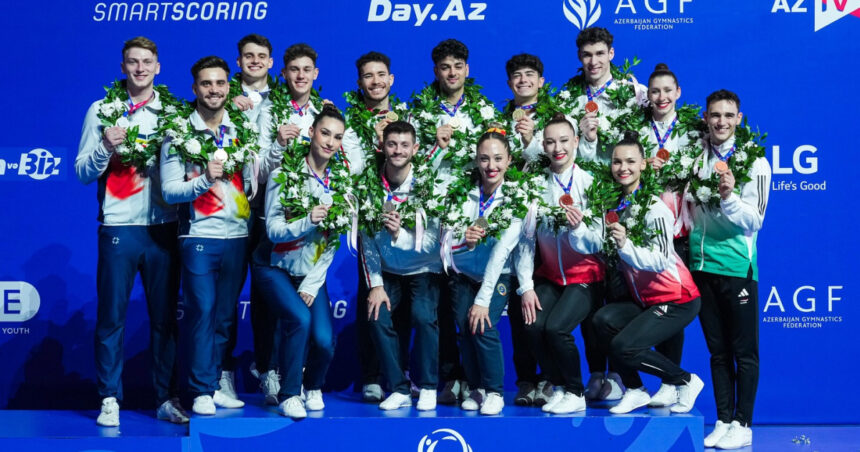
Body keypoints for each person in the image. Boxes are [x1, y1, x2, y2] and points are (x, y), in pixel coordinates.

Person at [76, 36, 186, 427]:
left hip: (163, 228)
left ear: (158, 67)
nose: (140, 68)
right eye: (132, 62)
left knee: (165, 321)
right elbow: (83, 172)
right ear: (123, 67)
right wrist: (105, 146)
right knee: (111, 318)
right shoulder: (103, 110)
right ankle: (109, 398)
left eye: (147, 62)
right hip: (119, 228)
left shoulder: (173, 112)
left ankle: (165, 398)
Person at [568, 132, 704, 415]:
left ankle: (686, 381)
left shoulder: (655, 209)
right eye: (617, 162)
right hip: (645, 299)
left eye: (630, 161)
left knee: (624, 346)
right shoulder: (614, 206)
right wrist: (578, 228)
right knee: (602, 320)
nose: (623, 168)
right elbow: (595, 243)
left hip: (677, 298)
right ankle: (635, 390)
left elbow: (659, 260)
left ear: (643, 164)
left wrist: (625, 245)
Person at [160, 55, 255, 415]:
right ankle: (199, 389)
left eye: (219, 83)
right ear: (195, 88)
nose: (213, 90)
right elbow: (169, 192)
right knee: (202, 309)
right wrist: (204, 179)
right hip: (198, 235)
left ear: (228, 86)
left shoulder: (241, 128)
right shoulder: (178, 133)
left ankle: (214, 384)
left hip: (238, 235)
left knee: (225, 315)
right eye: (206, 84)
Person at [252, 104, 356, 418]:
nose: (330, 142)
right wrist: (307, 220)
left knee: (324, 341)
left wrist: (312, 283)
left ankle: (311, 386)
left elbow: (331, 243)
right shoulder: (284, 174)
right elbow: (272, 230)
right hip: (273, 266)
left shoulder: (341, 185)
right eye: (325, 133)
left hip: (309, 273)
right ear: (311, 132)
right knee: (299, 319)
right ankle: (288, 395)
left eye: (337, 137)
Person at [411, 38, 498, 404]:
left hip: (469, 218)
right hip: (430, 222)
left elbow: (496, 164)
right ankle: (448, 377)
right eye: (445, 67)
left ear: (467, 69)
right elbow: (409, 168)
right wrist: (434, 147)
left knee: (466, 303)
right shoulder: (417, 112)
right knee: (440, 308)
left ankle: (475, 381)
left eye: (458, 66)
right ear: (435, 71)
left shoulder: (485, 111)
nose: (451, 73)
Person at [691, 90, 770, 450]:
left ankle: (744, 423)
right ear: (706, 117)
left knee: (744, 352)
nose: (721, 121)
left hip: (738, 267)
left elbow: (756, 220)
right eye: (714, 115)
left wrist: (729, 197)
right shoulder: (695, 155)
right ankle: (724, 419)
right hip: (702, 266)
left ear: (739, 118)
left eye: (728, 115)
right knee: (718, 351)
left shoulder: (755, 161)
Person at [342, 51, 412, 402]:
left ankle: (398, 373)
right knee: (371, 294)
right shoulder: (349, 120)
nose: (375, 82)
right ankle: (370, 375)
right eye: (368, 76)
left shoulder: (407, 117)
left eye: (381, 74)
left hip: (403, 217)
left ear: (391, 79)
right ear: (359, 83)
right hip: (368, 214)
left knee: (402, 301)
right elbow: (348, 166)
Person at [522, 114, 603, 414]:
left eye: (564, 141)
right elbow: (526, 240)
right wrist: (527, 286)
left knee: (556, 329)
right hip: (550, 275)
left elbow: (598, 240)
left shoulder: (590, 183)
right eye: (551, 142)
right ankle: (557, 386)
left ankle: (575, 391)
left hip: (586, 275)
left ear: (577, 142)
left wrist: (578, 229)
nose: (558, 148)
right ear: (543, 146)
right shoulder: (535, 186)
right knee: (532, 325)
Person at [448, 129, 532, 416]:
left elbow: (500, 254)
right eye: (484, 159)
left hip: (497, 277)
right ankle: (477, 388)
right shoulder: (464, 192)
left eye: (498, 158)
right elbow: (446, 241)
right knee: (464, 325)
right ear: (476, 160)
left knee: (482, 325)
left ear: (509, 160)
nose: (491, 166)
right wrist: (464, 240)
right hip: (463, 276)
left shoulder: (516, 198)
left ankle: (495, 391)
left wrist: (482, 300)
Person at [362, 121, 442, 411]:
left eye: (404, 145)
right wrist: (376, 284)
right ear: (382, 147)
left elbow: (436, 241)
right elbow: (366, 241)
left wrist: (400, 235)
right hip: (387, 271)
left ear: (415, 149)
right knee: (377, 316)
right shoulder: (370, 185)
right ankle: (398, 387)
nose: (397, 150)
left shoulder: (429, 185)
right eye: (392, 144)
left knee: (423, 317)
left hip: (424, 268)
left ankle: (430, 385)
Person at [637, 62, 702, 408]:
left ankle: (673, 382)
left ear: (678, 93)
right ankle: (669, 380)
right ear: (647, 96)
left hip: (681, 234)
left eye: (667, 91)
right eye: (655, 91)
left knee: (673, 311)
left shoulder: (694, 132)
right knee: (652, 309)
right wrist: (645, 167)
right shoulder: (637, 132)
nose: (661, 97)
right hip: (648, 235)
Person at [224, 32, 280, 406]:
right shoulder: (217, 95)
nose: (255, 61)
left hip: (268, 211)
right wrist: (228, 104)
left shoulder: (287, 100)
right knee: (226, 297)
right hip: (228, 209)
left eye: (261, 55)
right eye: (248, 55)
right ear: (239, 61)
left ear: (271, 62)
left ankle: (268, 369)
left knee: (266, 296)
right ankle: (222, 372)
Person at [501, 53, 554, 407]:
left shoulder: (554, 120)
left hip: (549, 225)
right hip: (512, 221)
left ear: (541, 81)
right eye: (517, 76)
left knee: (544, 305)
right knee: (519, 302)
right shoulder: (494, 119)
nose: (523, 80)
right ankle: (525, 380)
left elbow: (558, 159)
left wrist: (532, 139)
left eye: (530, 75)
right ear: (509, 83)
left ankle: (551, 378)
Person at [567, 27, 647, 166]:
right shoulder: (568, 100)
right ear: (579, 56)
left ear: (611, 53)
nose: (593, 62)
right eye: (587, 55)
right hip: (584, 182)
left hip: (625, 180)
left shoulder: (635, 93)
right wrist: (588, 140)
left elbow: (646, 144)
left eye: (600, 54)